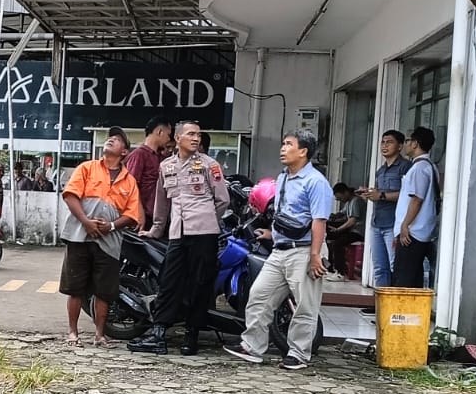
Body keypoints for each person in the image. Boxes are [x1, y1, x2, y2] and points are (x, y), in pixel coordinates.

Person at [224, 129, 334, 371]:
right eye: (283, 143)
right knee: (259, 296)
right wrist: (271, 234)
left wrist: (316, 256)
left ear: (303, 151)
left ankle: (298, 354)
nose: (283, 149)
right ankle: (252, 347)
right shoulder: (283, 177)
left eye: (288, 144)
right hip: (280, 250)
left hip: (305, 251)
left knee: (305, 306)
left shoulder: (316, 182)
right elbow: (286, 217)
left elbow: (319, 221)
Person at [130, 121, 228, 356]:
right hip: (177, 234)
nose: (195, 138)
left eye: (198, 134)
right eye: (191, 134)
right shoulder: (167, 166)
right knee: (168, 282)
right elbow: (162, 203)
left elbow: (222, 200)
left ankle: (191, 337)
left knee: (199, 285)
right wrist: (155, 229)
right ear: (178, 138)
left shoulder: (209, 165)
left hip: (204, 234)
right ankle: (158, 334)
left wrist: (205, 219)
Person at [59, 128, 142, 347]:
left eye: (117, 140)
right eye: (110, 138)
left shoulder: (129, 181)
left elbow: (132, 215)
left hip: (109, 241)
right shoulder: (87, 168)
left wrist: (111, 226)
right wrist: (86, 222)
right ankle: (72, 332)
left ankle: (99, 334)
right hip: (79, 235)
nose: (111, 140)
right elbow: (70, 195)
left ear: (124, 152)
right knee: (75, 286)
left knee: (104, 291)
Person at [355, 130, 410, 287]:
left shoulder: (405, 167)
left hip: (394, 224)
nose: (384, 146)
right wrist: (369, 194)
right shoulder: (381, 170)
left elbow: (408, 195)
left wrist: (382, 196)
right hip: (377, 223)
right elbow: (379, 194)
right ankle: (379, 305)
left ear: (400, 146)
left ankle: (394, 306)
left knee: (395, 266)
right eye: (383, 142)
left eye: (389, 142)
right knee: (379, 268)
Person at [393, 127, 441, 289]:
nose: (406, 145)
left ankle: (403, 311)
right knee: (413, 275)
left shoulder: (419, 169)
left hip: (413, 232)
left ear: (415, 144)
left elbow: (417, 200)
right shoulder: (429, 166)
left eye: (407, 141)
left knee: (404, 277)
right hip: (420, 230)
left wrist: (405, 225)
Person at [123, 117, 174, 226]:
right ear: (160, 132)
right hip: (144, 216)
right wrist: (139, 213)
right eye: (168, 135)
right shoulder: (139, 154)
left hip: (159, 216)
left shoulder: (161, 158)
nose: (168, 139)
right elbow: (131, 187)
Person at [326, 182, 364, 278]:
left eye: (340, 198)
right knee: (327, 236)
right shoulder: (349, 202)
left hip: (358, 232)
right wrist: (332, 217)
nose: (340, 200)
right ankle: (329, 267)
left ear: (345, 192)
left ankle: (340, 272)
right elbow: (342, 213)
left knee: (337, 243)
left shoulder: (355, 201)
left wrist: (338, 229)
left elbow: (352, 220)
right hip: (351, 230)